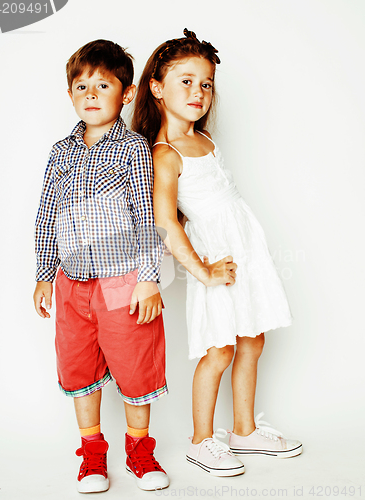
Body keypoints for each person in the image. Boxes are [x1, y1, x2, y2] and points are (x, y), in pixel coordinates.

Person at [133, 29, 302, 477]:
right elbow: (166, 222)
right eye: (185, 81)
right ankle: (201, 440)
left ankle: (244, 430)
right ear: (156, 87)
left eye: (205, 83)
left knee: (254, 338)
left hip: (245, 253)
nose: (198, 91)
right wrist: (204, 272)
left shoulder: (205, 142)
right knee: (219, 350)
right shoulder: (164, 154)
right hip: (216, 263)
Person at [33, 39, 169, 493]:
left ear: (126, 94)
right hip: (73, 284)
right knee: (79, 369)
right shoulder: (60, 152)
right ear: (71, 94)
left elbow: (146, 214)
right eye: (81, 86)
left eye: (103, 85)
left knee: (135, 366)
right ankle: (92, 458)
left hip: (123, 280)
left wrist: (149, 278)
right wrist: (44, 272)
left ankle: (140, 454)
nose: (90, 94)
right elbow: (48, 212)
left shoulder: (131, 149)